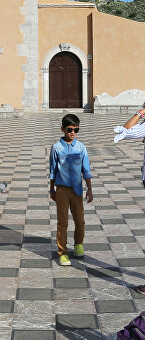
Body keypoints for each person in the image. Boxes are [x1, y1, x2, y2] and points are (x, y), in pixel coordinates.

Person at [49, 113, 92, 267]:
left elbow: (86, 169)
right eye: (69, 129)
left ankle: (78, 244)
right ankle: (63, 252)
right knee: (62, 223)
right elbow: (53, 170)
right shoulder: (56, 148)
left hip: (77, 190)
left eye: (76, 130)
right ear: (62, 129)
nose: (72, 133)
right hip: (61, 190)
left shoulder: (81, 147)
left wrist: (90, 189)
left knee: (80, 220)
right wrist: (51, 190)